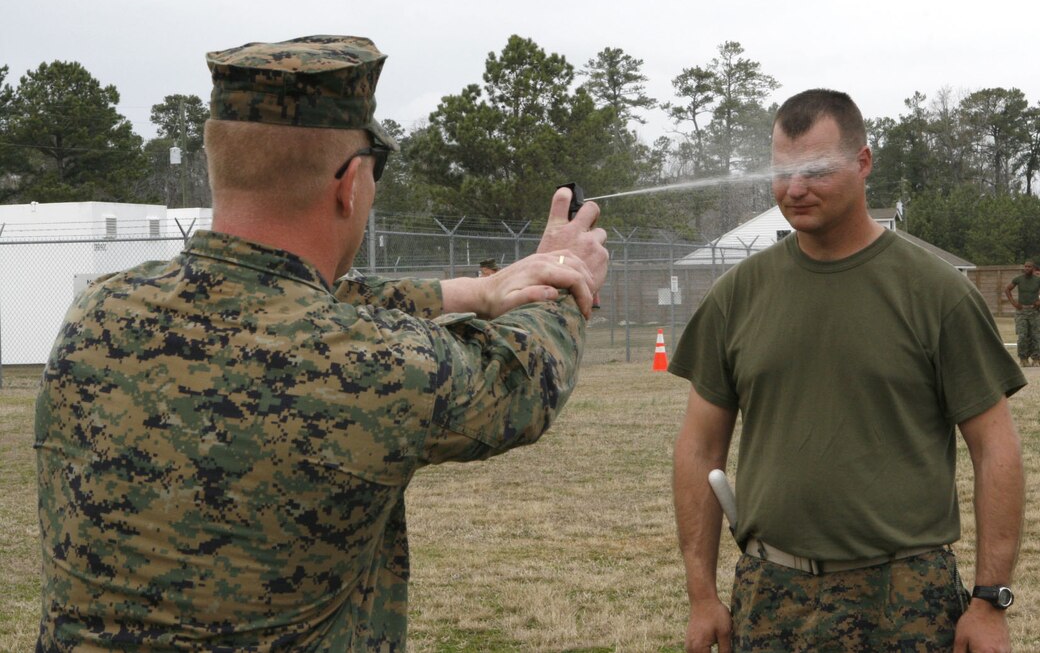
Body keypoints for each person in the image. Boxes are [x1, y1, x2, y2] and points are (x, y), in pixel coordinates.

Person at [34, 35, 609, 651]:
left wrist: (468, 292)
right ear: (351, 183)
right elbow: (520, 381)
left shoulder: (97, 312)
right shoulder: (379, 365)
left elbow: (296, 298)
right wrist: (560, 272)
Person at [670, 89, 1027, 652]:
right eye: (782, 172)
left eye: (815, 170)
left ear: (863, 163)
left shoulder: (937, 294)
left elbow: (995, 448)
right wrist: (701, 595)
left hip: (905, 599)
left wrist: (990, 600)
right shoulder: (736, 295)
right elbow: (698, 449)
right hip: (770, 597)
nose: (794, 189)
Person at [1004, 260, 1040, 367]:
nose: (1027, 269)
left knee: (1036, 335)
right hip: (1021, 311)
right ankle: (1023, 359)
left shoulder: (1039, 280)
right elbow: (1007, 289)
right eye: (1025, 267)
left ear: (1033, 268)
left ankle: (1035, 359)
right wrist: (1014, 303)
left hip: (1034, 311)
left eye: (1029, 267)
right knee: (1022, 336)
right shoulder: (1018, 279)